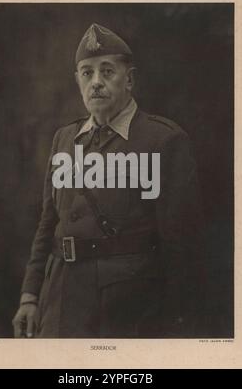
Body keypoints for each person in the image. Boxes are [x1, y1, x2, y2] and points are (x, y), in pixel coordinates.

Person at [12, 23, 205, 338]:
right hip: (61, 301)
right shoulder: (64, 139)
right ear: (78, 81)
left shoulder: (163, 140)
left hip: (130, 309)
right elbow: (48, 224)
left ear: (129, 79)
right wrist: (30, 296)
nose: (96, 82)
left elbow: (184, 248)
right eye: (87, 73)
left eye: (107, 72)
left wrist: (180, 325)